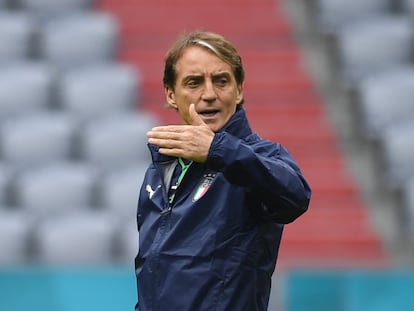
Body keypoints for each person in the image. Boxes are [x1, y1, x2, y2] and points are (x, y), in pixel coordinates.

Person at [135, 30, 311, 311]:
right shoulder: (160, 171)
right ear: (170, 93)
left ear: (239, 90)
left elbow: (295, 197)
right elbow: (153, 272)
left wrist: (219, 151)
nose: (209, 95)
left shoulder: (262, 156)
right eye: (194, 82)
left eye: (221, 81)